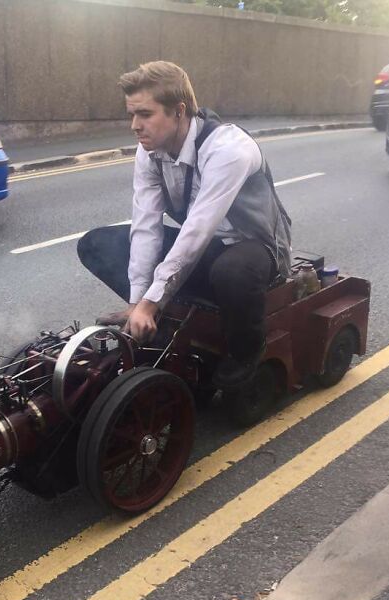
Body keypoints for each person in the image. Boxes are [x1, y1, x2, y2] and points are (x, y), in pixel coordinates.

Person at [77, 61, 292, 388]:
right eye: (131, 114)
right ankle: (154, 320)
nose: (135, 126)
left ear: (179, 111)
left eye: (145, 115)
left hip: (256, 250)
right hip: (208, 249)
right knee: (98, 243)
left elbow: (197, 231)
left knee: (231, 272)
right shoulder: (149, 151)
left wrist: (152, 299)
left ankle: (245, 349)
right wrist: (138, 301)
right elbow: (146, 225)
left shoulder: (228, 149)